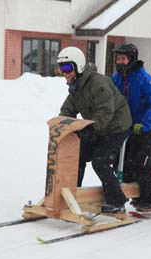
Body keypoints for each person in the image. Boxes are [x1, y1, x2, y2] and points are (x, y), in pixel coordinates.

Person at [57, 46, 132, 213]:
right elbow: (68, 109)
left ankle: (117, 201)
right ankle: (73, 194)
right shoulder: (76, 87)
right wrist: (62, 124)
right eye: (62, 68)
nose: (65, 72)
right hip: (99, 127)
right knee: (77, 155)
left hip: (117, 126)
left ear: (79, 66)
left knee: (100, 161)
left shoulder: (98, 82)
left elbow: (106, 110)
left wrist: (90, 129)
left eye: (68, 68)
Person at [111, 42, 151, 211]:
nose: (120, 62)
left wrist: (145, 124)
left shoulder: (144, 79)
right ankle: (131, 194)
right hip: (124, 128)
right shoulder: (116, 78)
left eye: (124, 59)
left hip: (144, 129)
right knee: (120, 162)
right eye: (118, 59)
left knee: (140, 163)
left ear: (132, 60)